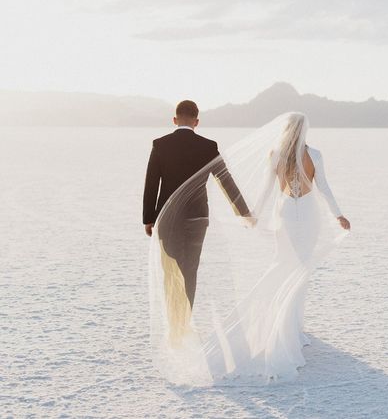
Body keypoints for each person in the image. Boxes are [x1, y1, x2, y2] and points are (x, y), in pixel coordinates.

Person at [148, 110, 351, 384]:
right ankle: (292, 328)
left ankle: (182, 327)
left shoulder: (275, 154)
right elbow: (323, 187)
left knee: (283, 266)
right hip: (308, 216)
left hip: (284, 216)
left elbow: (267, 188)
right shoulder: (314, 154)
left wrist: (251, 214)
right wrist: (338, 215)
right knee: (300, 270)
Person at [143, 100, 254, 345]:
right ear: (196, 121)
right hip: (197, 217)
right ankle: (183, 325)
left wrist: (148, 218)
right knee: (189, 271)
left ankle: (174, 327)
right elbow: (226, 180)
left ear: (174, 120)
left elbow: (152, 183)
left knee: (170, 271)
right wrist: (243, 212)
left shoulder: (160, 145)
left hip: (167, 219)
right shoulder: (208, 146)